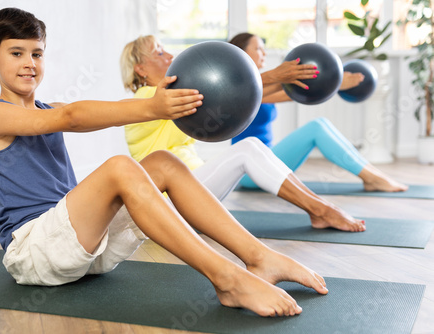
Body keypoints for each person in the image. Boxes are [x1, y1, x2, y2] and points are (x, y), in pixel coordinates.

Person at [0, 7, 329, 318]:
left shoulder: (45, 109)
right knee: (120, 167)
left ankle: (258, 257)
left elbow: (65, 114)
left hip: (81, 248)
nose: (29, 63)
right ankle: (228, 279)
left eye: (37, 54)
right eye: (16, 53)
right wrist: (152, 108)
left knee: (163, 161)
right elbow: (71, 117)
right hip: (34, 253)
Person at [120, 35, 366, 232]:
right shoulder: (147, 99)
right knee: (248, 148)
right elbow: (229, 87)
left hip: (191, 189)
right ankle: (320, 210)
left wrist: (327, 83)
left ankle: (322, 206)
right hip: (167, 201)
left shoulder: (175, 96)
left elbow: (246, 93)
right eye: (160, 53)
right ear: (141, 69)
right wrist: (277, 75)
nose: (171, 56)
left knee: (251, 147)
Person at [229, 32, 408, 193]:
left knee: (321, 124)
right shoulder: (236, 91)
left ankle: (373, 174)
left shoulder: (258, 88)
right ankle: (372, 178)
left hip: (267, 159)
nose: (264, 53)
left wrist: (334, 84)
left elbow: (290, 94)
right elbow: (258, 95)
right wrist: (285, 77)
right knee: (316, 128)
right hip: (251, 171)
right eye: (259, 48)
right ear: (242, 53)